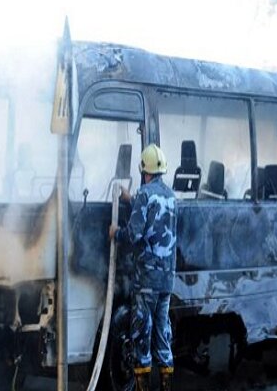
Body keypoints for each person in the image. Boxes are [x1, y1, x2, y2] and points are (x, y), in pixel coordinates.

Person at [109, 143, 177, 391]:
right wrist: (131, 198)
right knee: (162, 335)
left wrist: (116, 233)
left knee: (141, 338)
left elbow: (134, 234)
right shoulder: (171, 197)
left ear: (143, 170)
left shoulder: (145, 196)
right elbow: (154, 212)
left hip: (146, 280)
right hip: (166, 281)